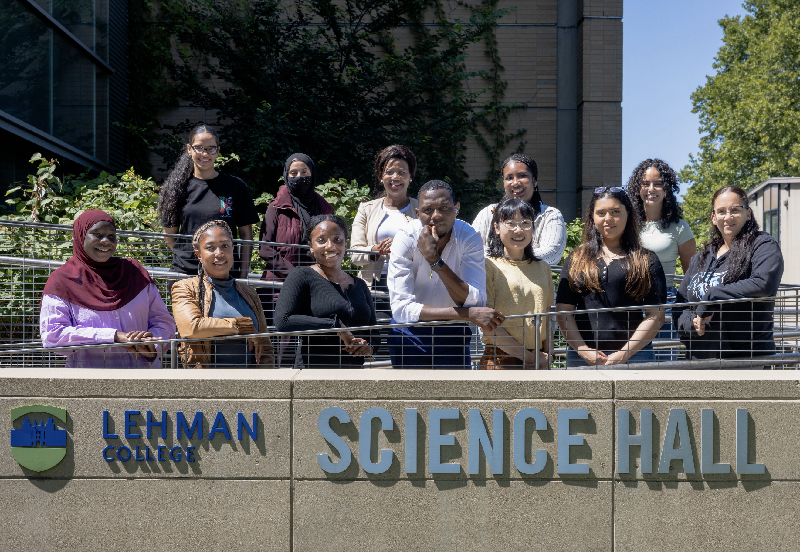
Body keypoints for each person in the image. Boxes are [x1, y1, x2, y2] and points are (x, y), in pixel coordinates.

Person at [387, 180, 503, 369]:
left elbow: (476, 300)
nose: (436, 216)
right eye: (427, 210)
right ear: (417, 213)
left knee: (455, 397)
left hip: (452, 332)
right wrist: (467, 314)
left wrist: (435, 261)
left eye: (444, 207)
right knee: (409, 398)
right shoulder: (405, 238)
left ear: (456, 208)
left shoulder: (469, 236)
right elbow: (401, 309)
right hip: (409, 334)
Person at [40, 210, 175, 368]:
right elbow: (52, 334)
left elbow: (164, 322)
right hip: (90, 382)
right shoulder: (62, 280)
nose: (106, 241)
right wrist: (113, 337)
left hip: (142, 378)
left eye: (111, 235)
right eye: (97, 234)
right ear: (80, 236)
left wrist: (152, 344)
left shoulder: (135, 272)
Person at [555, 187, 666, 368]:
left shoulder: (647, 259)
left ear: (628, 214)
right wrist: (583, 350)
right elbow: (563, 312)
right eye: (601, 213)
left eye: (615, 212)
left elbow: (656, 316)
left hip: (636, 356)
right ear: (592, 217)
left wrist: (624, 353)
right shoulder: (576, 258)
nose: (608, 219)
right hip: (581, 357)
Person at [673, 186, 784, 363]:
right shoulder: (701, 258)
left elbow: (764, 283)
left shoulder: (763, 245)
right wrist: (692, 323)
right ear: (713, 217)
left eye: (735, 210)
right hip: (698, 361)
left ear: (748, 213)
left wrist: (713, 296)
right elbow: (681, 306)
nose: (728, 217)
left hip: (746, 360)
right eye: (721, 211)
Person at [159, 124, 260, 278]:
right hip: (185, 275)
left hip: (225, 275)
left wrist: (243, 275)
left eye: (210, 149)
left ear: (218, 151)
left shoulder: (235, 187)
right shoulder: (176, 189)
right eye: (199, 148)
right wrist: (192, 258)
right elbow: (169, 235)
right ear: (189, 149)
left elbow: (246, 235)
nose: (204, 154)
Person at [274, 215, 375, 368]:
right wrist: (335, 326)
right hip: (313, 374)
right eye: (321, 240)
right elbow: (283, 321)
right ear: (310, 246)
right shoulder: (302, 275)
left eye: (337, 239)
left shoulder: (359, 284)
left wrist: (368, 347)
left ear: (345, 244)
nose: (330, 246)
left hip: (354, 376)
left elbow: (374, 332)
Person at [171, 220, 275, 368]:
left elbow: (266, 348)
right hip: (206, 384)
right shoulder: (185, 288)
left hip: (250, 384)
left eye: (225, 246)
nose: (219, 253)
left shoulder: (249, 293)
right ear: (198, 254)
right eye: (210, 248)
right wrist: (241, 326)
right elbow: (191, 328)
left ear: (232, 249)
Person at [627, 158, 697, 361]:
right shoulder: (626, 223)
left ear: (667, 188)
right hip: (629, 299)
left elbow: (690, 276)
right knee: (631, 363)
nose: (651, 188)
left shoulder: (680, 227)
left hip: (664, 300)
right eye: (645, 183)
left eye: (658, 183)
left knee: (664, 363)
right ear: (637, 188)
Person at [258, 153, 334, 324]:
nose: (299, 177)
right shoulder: (276, 207)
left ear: (312, 173)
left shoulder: (325, 210)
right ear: (286, 175)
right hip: (278, 288)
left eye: (304, 172)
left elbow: (329, 248)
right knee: (280, 345)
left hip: (313, 288)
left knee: (310, 341)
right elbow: (264, 248)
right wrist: (294, 275)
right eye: (293, 173)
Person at [480, 197, 554, 369]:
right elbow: (487, 326)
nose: (519, 230)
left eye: (526, 223)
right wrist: (526, 356)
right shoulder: (488, 266)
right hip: (500, 358)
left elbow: (547, 315)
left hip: (538, 358)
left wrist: (549, 355)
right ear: (496, 228)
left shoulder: (543, 267)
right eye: (511, 223)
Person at [350, 145, 419, 315]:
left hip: (413, 287)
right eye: (389, 172)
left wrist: (401, 246)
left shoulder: (422, 209)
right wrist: (377, 250)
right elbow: (355, 255)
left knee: (407, 338)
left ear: (411, 176)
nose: (395, 177)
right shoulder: (366, 209)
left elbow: (433, 248)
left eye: (402, 172)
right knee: (375, 338)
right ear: (381, 176)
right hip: (373, 288)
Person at [472, 153, 567, 265]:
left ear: (534, 180)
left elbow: (551, 255)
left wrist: (492, 252)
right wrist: (523, 255)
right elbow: (471, 249)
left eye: (522, 176)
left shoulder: (549, 215)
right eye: (509, 178)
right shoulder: (489, 213)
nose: (515, 182)